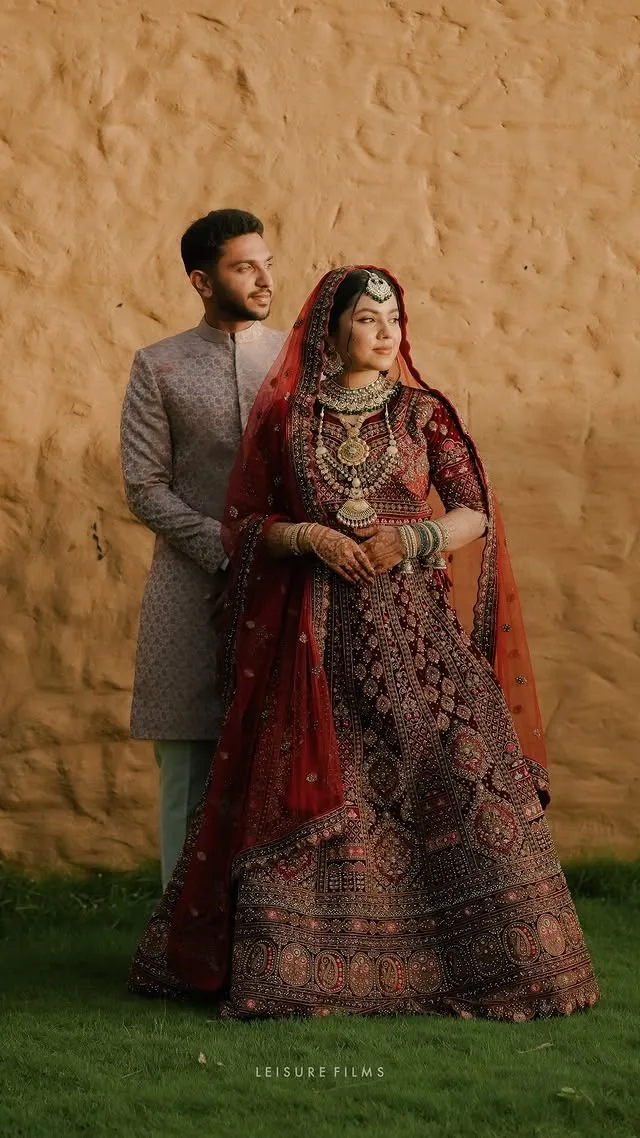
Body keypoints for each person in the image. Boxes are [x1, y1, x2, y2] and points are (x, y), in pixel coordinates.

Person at [128, 266, 599, 1020]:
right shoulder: (292, 417)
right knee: (320, 783)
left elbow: (474, 510)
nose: (387, 334)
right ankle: (302, 972)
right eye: (369, 319)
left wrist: (414, 537)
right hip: (314, 637)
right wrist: (308, 534)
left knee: (454, 765)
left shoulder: (422, 414)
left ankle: (491, 962)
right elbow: (246, 526)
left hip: (415, 629)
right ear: (333, 330)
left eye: (394, 320)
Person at [120, 209, 286, 888]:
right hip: (192, 589)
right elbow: (144, 487)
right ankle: (174, 947)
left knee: (283, 754)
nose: (264, 277)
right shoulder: (158, 366)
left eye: (267, 262)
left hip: (287, 583)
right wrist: (227, 551)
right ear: (201, 279)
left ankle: (272, 943)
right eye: (244, 266)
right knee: (188, 767)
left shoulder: (299, 359)